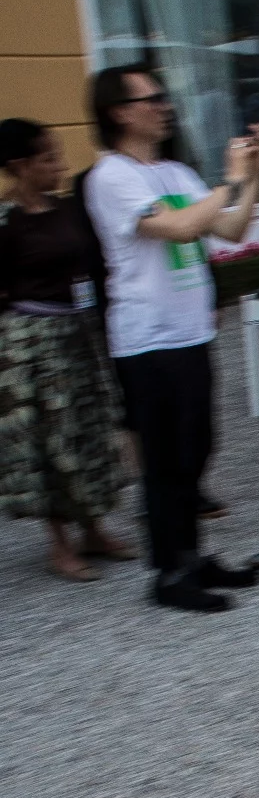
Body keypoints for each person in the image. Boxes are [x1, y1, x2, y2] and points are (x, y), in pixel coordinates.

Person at [83, 63, 259, 612]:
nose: (166, 105)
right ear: (119, 112)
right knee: (165, 458)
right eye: (153, 98)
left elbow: (230, 228)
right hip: (148, 339)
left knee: (196, 449)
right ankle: (168, 573)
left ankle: (191, 555)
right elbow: (179, 227)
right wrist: (231, 180)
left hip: (190, 332)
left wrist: (257, 173)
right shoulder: (112, 176)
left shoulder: (173, 172)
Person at [0, 118, 133, 582]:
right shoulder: (5, 220)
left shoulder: (65, 209)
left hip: (77, 334)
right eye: (48, 157)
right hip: (32, 344)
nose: (59, 165)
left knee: (89, 431)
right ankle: (60, 544)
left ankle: (93, 529)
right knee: (49, 441)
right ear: (20, 165)